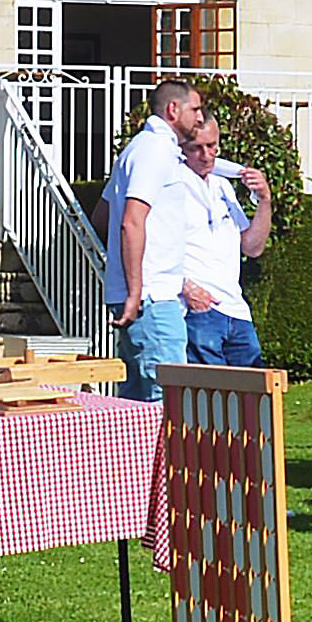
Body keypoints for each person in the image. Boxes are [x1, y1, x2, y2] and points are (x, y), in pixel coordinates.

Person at [139, 103, 274, 374]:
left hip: (236, 310)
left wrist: (265, 201)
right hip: (198, 310)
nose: (206, 155)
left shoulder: (223, 185)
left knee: (253, 399)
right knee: (209, 402)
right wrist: (187, 289)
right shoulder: (172, 182)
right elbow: (147, 242)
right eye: (197, 148)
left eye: (212, 146)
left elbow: (252, 246)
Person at [103, 82, 209, 400]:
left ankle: (134, 453)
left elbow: (103, 214)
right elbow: (131, 221)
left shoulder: (140, 148)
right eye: (195, 109)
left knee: (137, 402)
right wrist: (136, 291)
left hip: (148, 297)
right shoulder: (155, 150)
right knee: (165, 400)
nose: (200, 118)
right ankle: (164, 454)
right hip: (152, 298)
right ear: (173, 110)